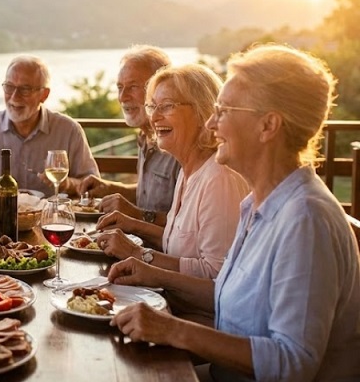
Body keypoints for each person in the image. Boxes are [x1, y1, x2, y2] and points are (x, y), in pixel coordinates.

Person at [108, 44, 360, 381]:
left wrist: (173, 331)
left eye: (224, 110)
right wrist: (151, 274)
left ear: (268, 125)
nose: (211, 123)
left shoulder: (305, 218)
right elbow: (223, 294)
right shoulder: (258, 203)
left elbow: (293, 363)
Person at [95, 64, 249, 283]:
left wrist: (135, 252)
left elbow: (216, 277)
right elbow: (177, 246)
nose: (154, 117)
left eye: (166, 106)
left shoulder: (219, 179)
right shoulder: (188, 170)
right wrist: (133, 224)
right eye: (152, 106)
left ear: (202, 111)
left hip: (193, 315)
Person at [0, 54, 99, 195]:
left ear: (44, 95)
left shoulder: (69, 131)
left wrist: (66, 184)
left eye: (25, 89)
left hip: (50, 221)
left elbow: (92, 186)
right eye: (9, 87)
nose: (14, 97)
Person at [78, 45, 180, 226]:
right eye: (119, 87)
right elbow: (149, 195)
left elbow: (186, 228)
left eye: (133, 87)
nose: (122, 97)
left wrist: (135, 214)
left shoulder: (179, 143)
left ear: (161, 89)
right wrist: (109, 188)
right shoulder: (145, 136)